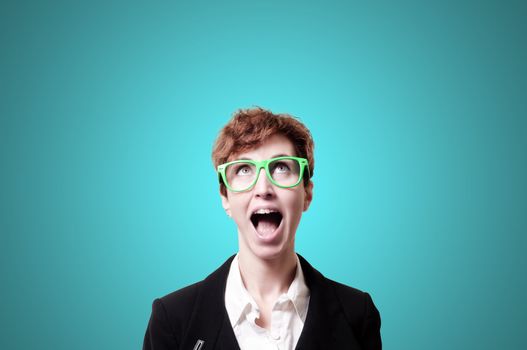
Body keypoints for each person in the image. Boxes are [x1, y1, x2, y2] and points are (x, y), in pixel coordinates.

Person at [143, 107, 382, 350]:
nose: (263, 188)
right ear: (225, 197)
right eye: (244, 170)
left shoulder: (357, 315)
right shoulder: (172, 320)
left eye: (281, 167)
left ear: (307, 193)